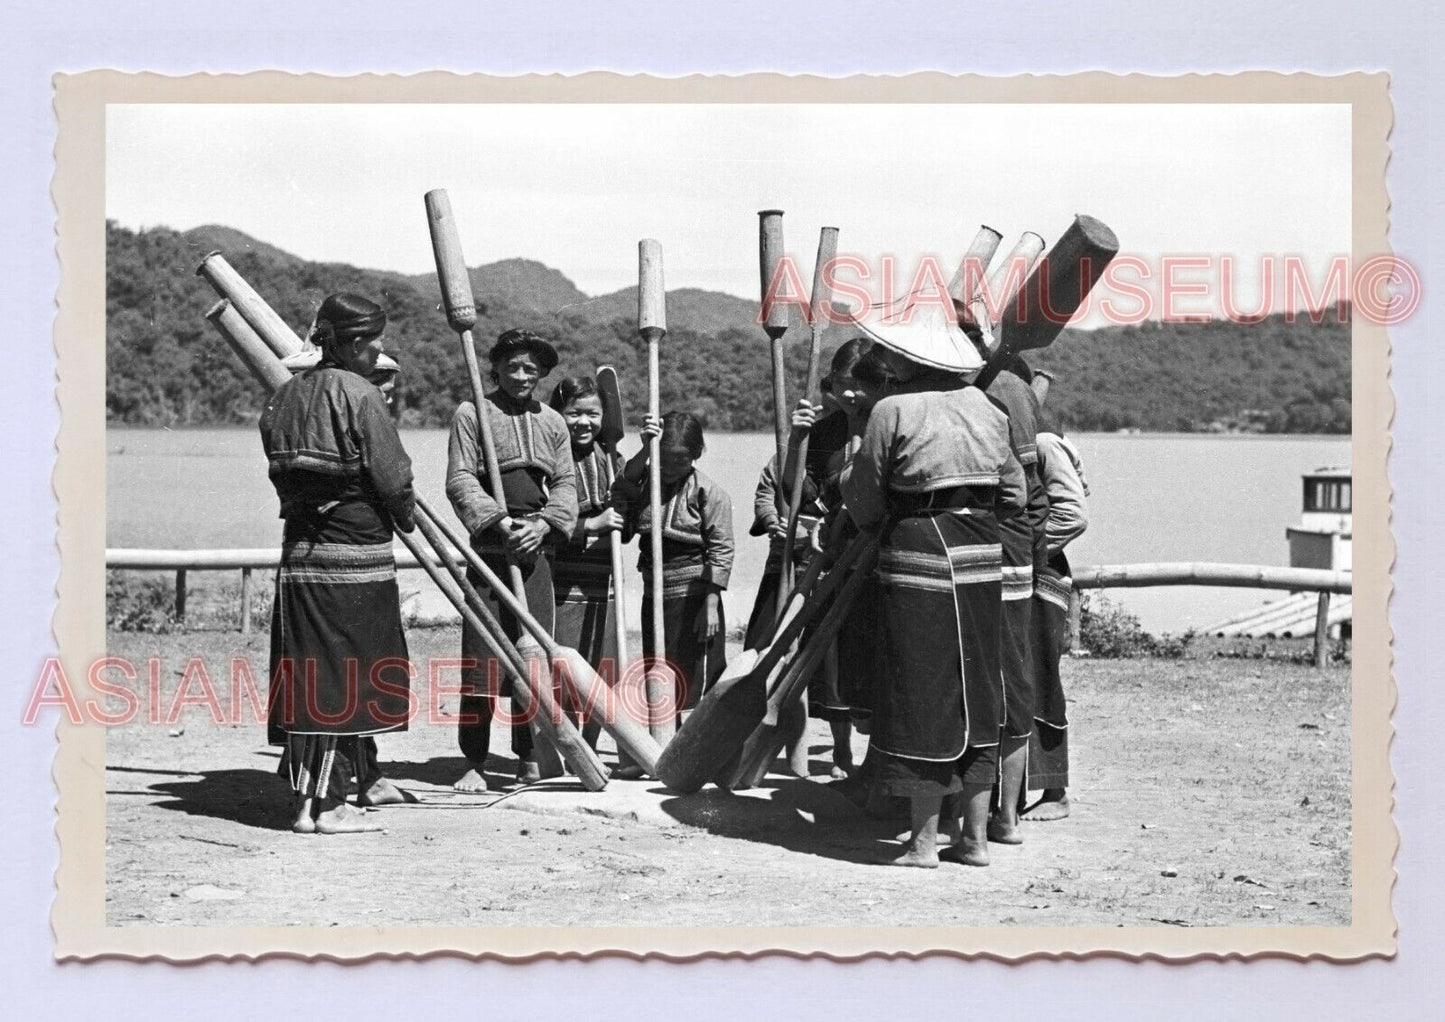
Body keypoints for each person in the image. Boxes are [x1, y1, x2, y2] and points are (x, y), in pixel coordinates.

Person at [841, 301, 1025, 868]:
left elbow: (867, 501)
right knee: (978, 686)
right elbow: (1015, 494)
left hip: (917, 551)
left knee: (918, 689)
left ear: (904, 359)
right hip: (982, 551)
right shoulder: (990, 408)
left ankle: (922, 842)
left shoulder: (891, 411)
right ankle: (971, 838)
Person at [260, 292, 416, 835]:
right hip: (354, 561)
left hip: (299, 560)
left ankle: (336, 788)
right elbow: (393, 476)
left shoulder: (282, 397)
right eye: (373, 345)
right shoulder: (359, 392)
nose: (378, 354)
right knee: (341, 676)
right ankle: (325, 806)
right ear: (350, 344)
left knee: (314, 673)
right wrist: (406, 515)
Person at [445, 328, 578, 792]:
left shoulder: (553, 422)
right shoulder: (471, 413)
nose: (523, 376)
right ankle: (475, 761)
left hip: (535, 551)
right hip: (489, 550)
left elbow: (565, 485)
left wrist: (542, 526)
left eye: (532, 369)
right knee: (482, 659)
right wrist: (500, 524)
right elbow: (461, 480)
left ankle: (527, 755)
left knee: (533, 660)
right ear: (496, 368)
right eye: (514, 367)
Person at [613, 411, 734, 718]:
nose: (670, 468)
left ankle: (697, 744)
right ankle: (664, 742)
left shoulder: (710, 492)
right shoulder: (645, 482)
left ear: (696, 455)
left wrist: (710, 604)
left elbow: (722, 550)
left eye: (681, 460)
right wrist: (645, 447)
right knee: (659, 670)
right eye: (663, 459)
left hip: (695, 599)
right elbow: (625, 482)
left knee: (695, 673)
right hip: (654, 594)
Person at [979, 356, 1051, 845]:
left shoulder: (999, 391)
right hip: (1012, 553)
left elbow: (1027, 494)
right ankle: (999, 814)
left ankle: (999, 815)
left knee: (992, 687)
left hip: (999, 557)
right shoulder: (1011, 389)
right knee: (1008, 684)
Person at [1021, 369, 1089, 820]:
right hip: (1021, 569)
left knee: (1041, 676)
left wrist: (1026, 548)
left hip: (1042, 574)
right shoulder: (1024, 436)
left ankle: (1054, 791)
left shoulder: (1045, 443)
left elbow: (1073, 513)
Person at [547, 375, 625, 759]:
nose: (583, 422)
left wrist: (647, 448)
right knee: (559, 671)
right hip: (560, 583)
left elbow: (632, 498)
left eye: (592, 414)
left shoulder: (612, 458)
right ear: (558, 414)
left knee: (602, 670)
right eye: (573, 413)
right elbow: (540, 518)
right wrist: (589, 526)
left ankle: (592, 747)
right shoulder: (548, 457)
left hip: (603, 583)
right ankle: (562, 750)